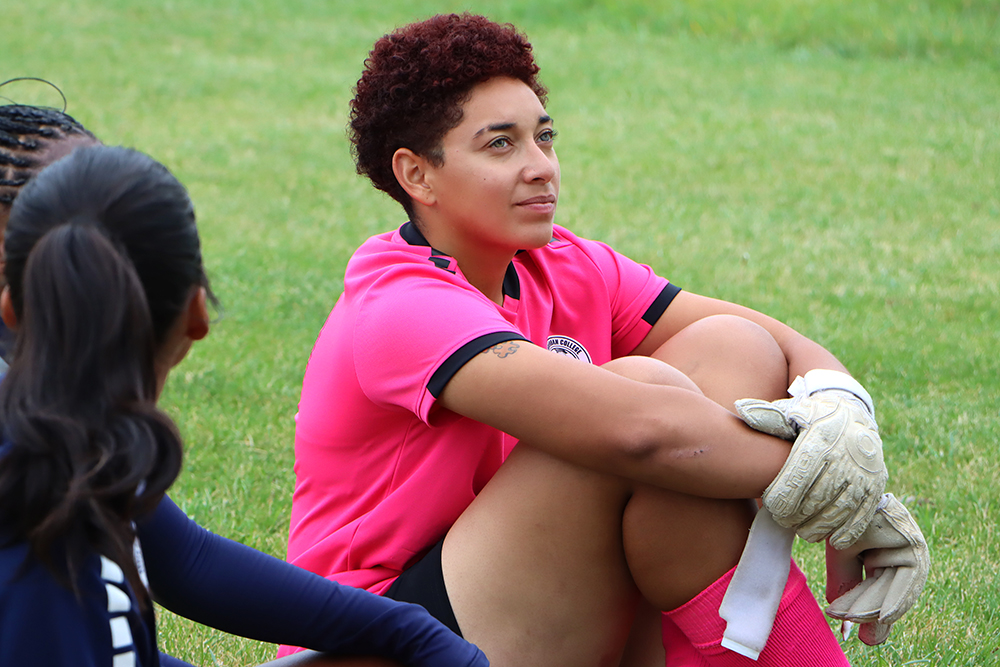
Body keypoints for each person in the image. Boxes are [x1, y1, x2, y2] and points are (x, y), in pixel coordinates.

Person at [283, 13, 927, 667]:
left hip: (513, 612)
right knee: (644, 408)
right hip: (370, 642)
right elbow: (638, 434)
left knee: (734, 348)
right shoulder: (398, 301)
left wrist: (842, 407)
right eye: (500, 145)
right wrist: (841, 492)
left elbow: (776, 344)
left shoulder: (566, 265)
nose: (541, 167)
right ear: (417, 175)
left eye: (544, 137)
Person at [0, 142, 489, 667]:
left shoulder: (65, 439)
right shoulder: (48, 498)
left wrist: (410, 631)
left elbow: (187, 560)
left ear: (10, 309)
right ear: (196, 312)